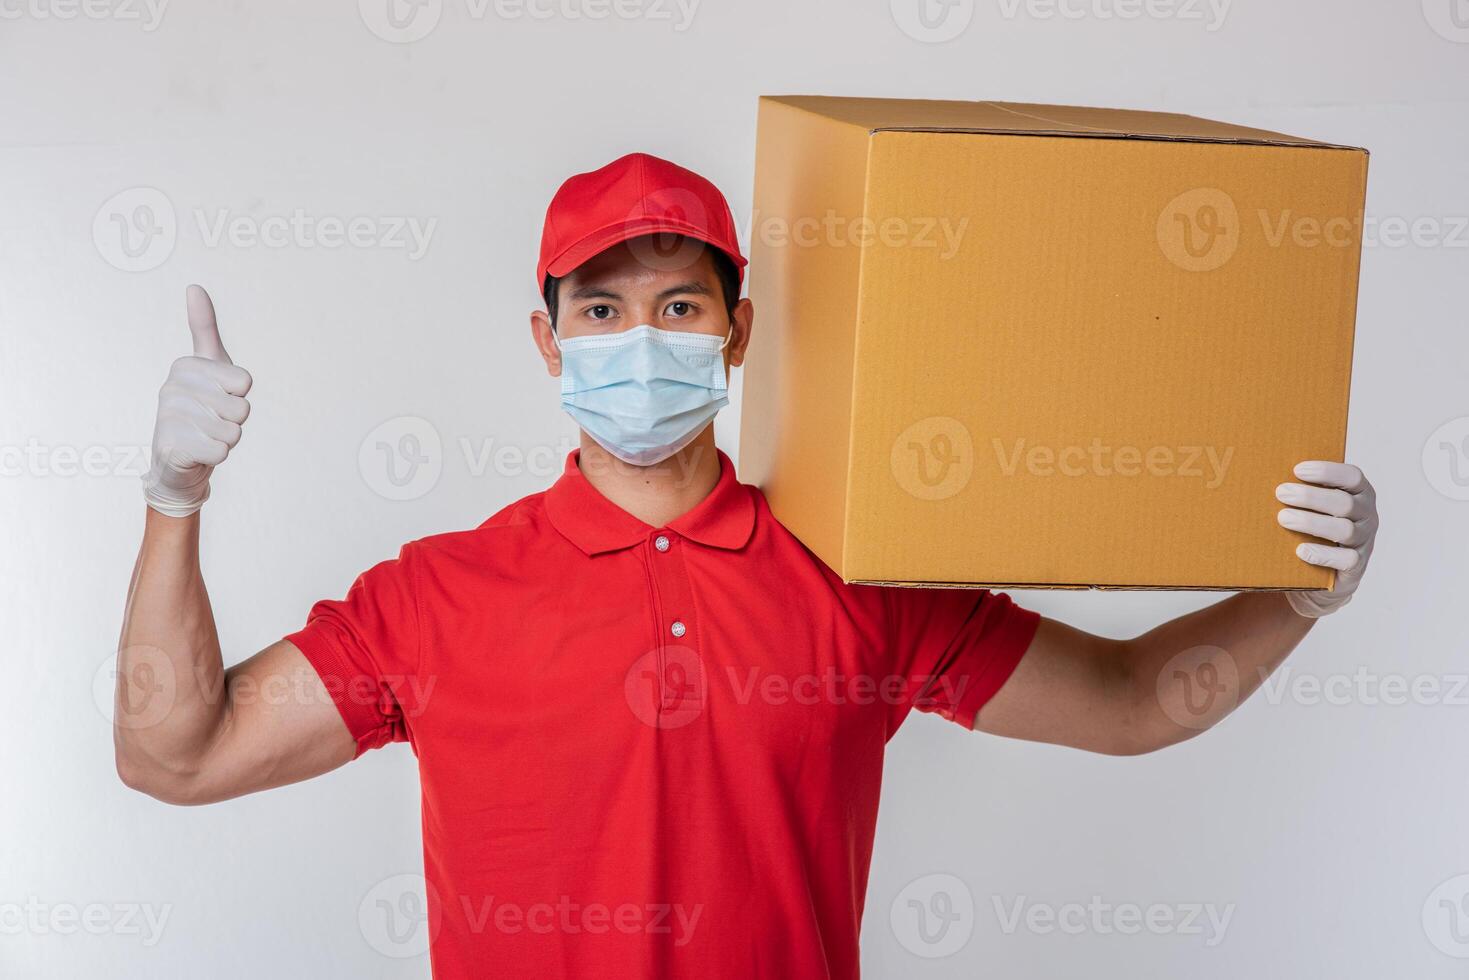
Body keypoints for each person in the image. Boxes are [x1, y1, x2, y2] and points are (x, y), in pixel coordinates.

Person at [114, 152, 1379, 979]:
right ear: (547, 342)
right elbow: (174, 752)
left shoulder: (862, 576)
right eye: (599, 310)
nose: (638, 337)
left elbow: (1130, 704)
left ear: (736, 331)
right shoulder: (437, 596)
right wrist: (176, 498)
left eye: (677, 304)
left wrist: (1295, 596)